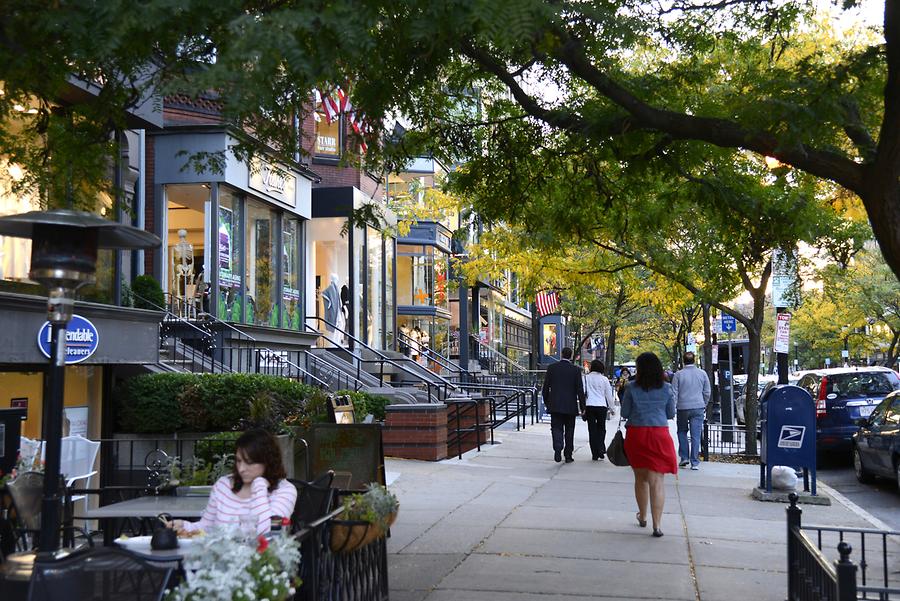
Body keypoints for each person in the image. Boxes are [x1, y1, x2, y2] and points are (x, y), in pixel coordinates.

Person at [170, 429, 297, 536]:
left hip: (260, 563)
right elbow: (207, 527)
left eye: (249, 462)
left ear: (267, 462)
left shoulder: (285, 491)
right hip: (219, 560)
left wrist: (259, 487)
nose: (241, 468)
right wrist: (184, 525)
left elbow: (266, 534)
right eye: (238, 461)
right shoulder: (223, 485)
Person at [620, 352, 677, 538]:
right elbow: (670, 413)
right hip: (659, 434)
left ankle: (643, 516)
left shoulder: (631, 387)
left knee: (640, 478)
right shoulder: (667, 388)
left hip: (637, 434)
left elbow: (625, 412)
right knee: (657, 481)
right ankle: (657, 525)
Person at [542, 347, 586, 463]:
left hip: (555, 405)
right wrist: (583, 407)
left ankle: (557, 447)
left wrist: (547, 402)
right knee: (570, 430)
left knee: (556, 428)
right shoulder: (576, 370)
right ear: (571, 356)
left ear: (561, 354)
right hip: (570, 406)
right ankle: (568, 454)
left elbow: (545, 387)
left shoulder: (552, 368)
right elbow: (580, 390)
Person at [671, 351, 711, 471]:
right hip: (698, 407)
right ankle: (695, 462)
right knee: (695, 435)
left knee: (682, 431)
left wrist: (674, 407)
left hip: (683, 407)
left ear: (683, 360)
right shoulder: (702, 373)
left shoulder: (678, 374)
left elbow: (674, 393)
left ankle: (684, 457)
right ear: (694, 360)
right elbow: (707, 391)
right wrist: (703, 403)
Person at [583, 359, 616, 460]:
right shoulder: (604, 379)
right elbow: (608, 395)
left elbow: (583, 393)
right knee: (601, 428)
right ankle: (601, 447)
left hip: (589, 405)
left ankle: (595, 453)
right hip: (601, 406)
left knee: (592, 430)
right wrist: (612, 408)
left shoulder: (585, 378)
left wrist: (582, 407)